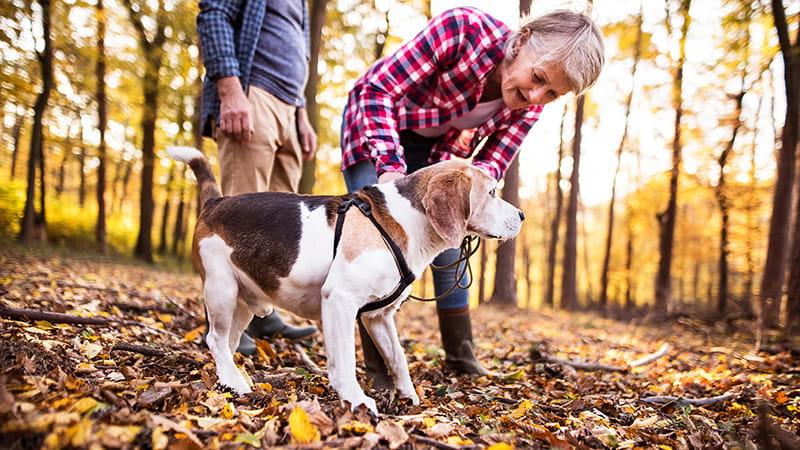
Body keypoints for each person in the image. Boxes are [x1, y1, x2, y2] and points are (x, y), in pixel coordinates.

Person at [340, 7, 604, 384]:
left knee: (451, 236)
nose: (535, 95)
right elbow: (376, 90)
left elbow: (489, 171)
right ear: (523, 41)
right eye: (538, 78)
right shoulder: (462, 31)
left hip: (437, 156)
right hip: (374, 128)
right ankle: (379, 369)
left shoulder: (528, 110)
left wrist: (472, 215)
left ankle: (460, 356)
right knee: (377, 242)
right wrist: (391, 172)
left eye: (551, 94)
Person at [197, 0, 319, 353]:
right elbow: (214, 14)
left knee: (281, 227)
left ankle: (263, 315)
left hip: (289, 109)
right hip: (253, 94)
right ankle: (221, 325)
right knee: (237, 219)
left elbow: (301, 56)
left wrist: (302, 114)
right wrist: (231, 90)